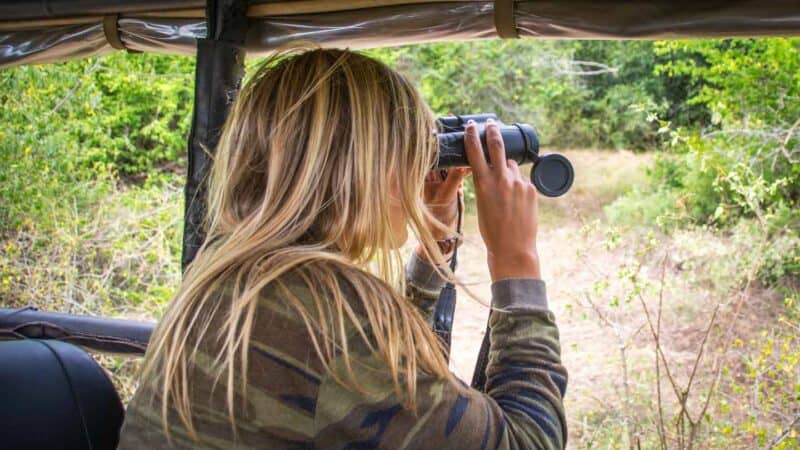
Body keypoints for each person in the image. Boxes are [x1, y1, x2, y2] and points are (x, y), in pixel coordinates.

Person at [119, 46, 567, 450]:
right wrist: (516, 260)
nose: (416, 176)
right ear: (365, 166)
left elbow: (399, 404)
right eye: (410, 155)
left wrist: (433, 249)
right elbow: (529, 440)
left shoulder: (228, 269)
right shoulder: (331, 314)